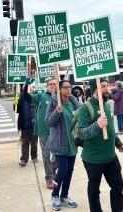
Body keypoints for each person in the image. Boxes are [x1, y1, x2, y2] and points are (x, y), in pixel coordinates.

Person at [78, 78, 123, 212]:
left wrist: (118, 143)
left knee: (118, 186)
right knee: (94, 191)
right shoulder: (85, 108)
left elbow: (110, 129)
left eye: (107, 86)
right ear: (95, 89)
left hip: (111, 156)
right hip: (93, 159)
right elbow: (82, 133)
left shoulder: (106, 104)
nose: (107, 89)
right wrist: (97, 125)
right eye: (103, 86)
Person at [45, 80, 81, 211]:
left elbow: (80, 116)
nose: (68, 89)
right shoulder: (54, 103)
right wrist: (57, 112)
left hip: (72, 142)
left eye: (69, 87)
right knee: (63, 170)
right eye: (65, 87)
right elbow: (48, 122)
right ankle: (55, 195)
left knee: (69, 171)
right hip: (59, 143)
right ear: (59, 90)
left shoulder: (73, 102)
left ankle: (64, 196)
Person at [30, 78, 57, 189]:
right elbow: (27, 97)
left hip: (57, 131)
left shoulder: (60, 98)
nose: (52, 86)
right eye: (50, 84)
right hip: (44, 131)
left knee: (57, 155)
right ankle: (49, 178)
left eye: (54, 84)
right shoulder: (41, 96)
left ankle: (53, 170)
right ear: (47, 86)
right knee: (46, 155)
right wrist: (26, 85)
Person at [17, 79, 38, 167]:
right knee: (25, 143)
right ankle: (24, 159)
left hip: (34, 124)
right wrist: (15, 104)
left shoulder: (35, 97)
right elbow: (16, 111)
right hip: (24, 124)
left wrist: (26, 85)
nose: (31, 89)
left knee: (34, 143)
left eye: (32, 87)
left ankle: (34, 156)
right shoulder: (21, 98)